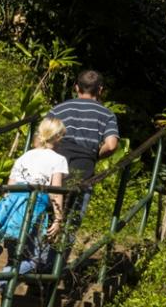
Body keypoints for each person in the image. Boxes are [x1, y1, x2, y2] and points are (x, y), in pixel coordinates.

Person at [0, 117, 68, 307]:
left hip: (13, 209)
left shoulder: (24, 156)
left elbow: (9, 187)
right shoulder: (58, 159)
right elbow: (55, 191)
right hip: (34, 210)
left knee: (15, 256)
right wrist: (58, 218)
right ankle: (0, 282)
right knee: (36, 258)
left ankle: (0, 293)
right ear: (57, 136)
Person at [43, 70, 119, 228]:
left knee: (46, 210)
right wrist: (96, 154)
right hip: (84, 163)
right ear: (100, 90)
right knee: (72, 215)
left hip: (54, 159)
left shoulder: (58, 109)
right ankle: (63, 242)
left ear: (76, 87)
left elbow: (41, 137)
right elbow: (111, 145)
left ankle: (37, 242)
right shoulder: (107, 114)